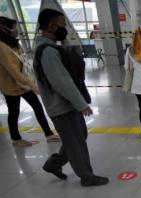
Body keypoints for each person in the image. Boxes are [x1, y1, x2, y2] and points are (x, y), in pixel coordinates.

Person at [33, 9, 108, 187]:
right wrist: (81, 104)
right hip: (61, 107)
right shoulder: (47, 51)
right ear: (51, 26)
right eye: (62, 24)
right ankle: (87, 176)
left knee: (78, 135)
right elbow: (62, 81)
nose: (65, 28)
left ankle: (54, 163)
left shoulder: (52, 47)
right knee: (75, 143)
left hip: (66, 105)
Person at [0, 16, 60, 147]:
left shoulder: (12, 43)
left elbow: (23, 61)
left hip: (23, 83)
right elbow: (13, 71)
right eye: (12, 27)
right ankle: (16, 138)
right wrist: (32, 84)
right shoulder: (1, 46)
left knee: (37, 107)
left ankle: (48, 133)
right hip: (11, 86)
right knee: (14, 112)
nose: (15, 30)